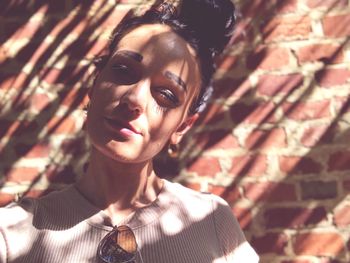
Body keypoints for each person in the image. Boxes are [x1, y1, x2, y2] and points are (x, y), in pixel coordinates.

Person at [0, 0, 259, 262]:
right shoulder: (11, 234)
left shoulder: (212, 221)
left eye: (166, 94)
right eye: (123, 71)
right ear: (94, 84)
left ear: (182, 126)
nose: (134, 99)